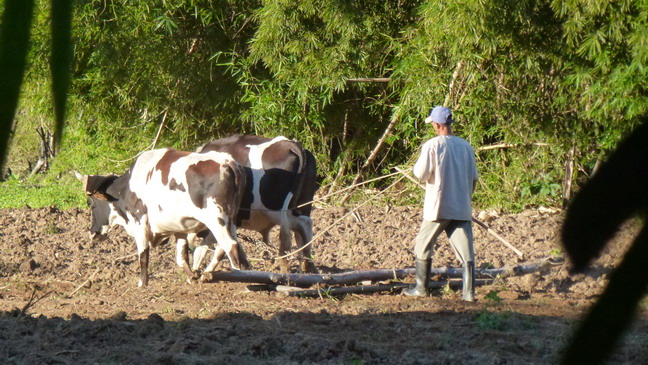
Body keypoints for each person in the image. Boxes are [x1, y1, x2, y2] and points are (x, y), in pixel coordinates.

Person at [404, 106, 478, 301]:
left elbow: (421, 174)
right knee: (466, 253)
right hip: (461, 207)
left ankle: (421, 288)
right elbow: (474, 179)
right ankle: (469, 293)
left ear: (436, 125)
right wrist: (465, 199)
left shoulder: (432, 146)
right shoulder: (466, 146)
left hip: (438, 208)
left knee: (423, 245)